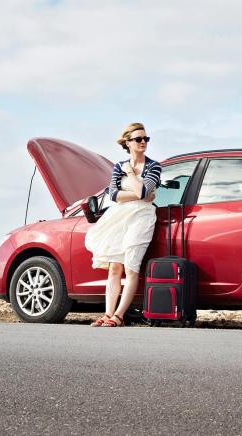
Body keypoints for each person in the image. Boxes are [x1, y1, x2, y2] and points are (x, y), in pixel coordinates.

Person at [84, 122, 162, 327]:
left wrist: (130, 175)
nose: (143, 142)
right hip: (119, 217)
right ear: (128, 143)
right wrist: (139, 193)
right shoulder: (118, 165)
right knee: (114, 268)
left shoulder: (154, 166)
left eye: (146, 139)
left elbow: (145, 193)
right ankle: (107, 314)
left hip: (142, 218)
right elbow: (113, 195)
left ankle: (119, 316)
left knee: (132, 267)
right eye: (138, 139)